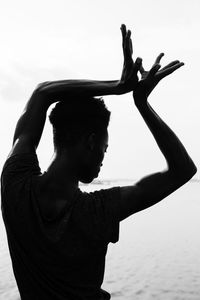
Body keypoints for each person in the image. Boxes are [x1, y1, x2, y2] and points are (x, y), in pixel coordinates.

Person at [1, 24, 197, 300]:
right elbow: (183, 170)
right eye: (104, 149)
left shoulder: (14, 186)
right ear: (91, 143)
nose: (104, 157)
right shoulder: (98, 212)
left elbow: (42, 93)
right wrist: (141, 102)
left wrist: (117, 88)